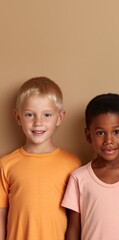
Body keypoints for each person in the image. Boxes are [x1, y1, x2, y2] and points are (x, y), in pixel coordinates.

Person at [0, 77, 81, 240]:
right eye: (30, 114)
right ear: (17, 117)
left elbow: (76, 220)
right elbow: (1, 216)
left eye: (47, 115)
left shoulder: (73, 164)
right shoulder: (6, 164)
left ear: (59, 117)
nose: (38, 122)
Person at [61, 93, 119, 240]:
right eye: (100, 133)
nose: (108, 140)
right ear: (88, 135)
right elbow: (73, 230)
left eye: (117, 132)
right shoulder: (79, 178)